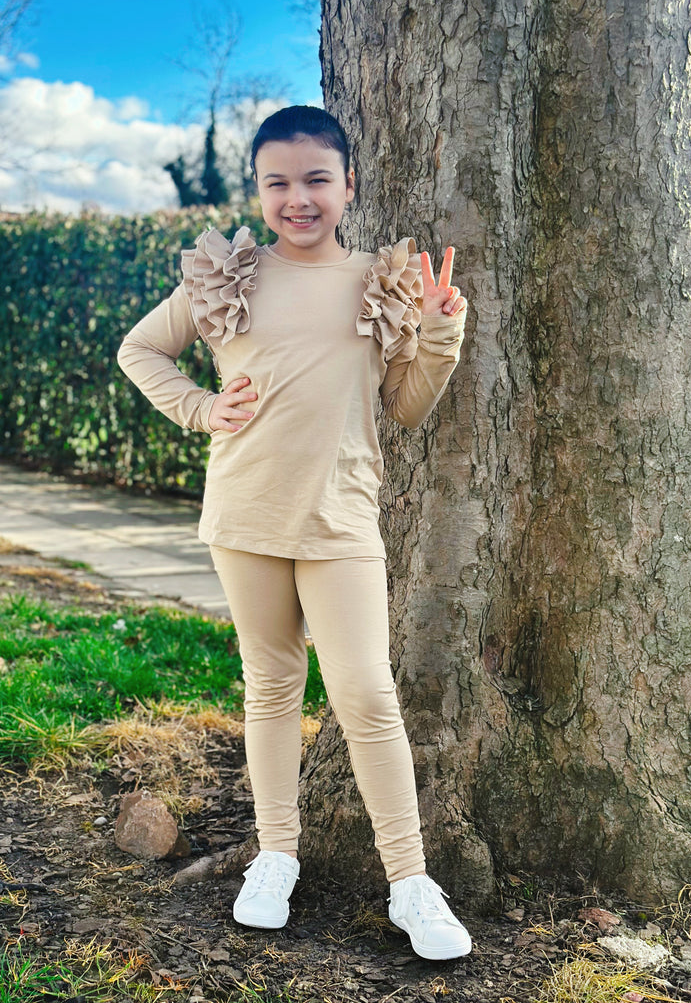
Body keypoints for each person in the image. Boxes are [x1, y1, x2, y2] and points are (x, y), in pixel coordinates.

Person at [117, 105, 471, 961]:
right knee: (271, 685)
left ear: (348, 183)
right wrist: (201, 407)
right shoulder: (228, 278)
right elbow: (140, 350)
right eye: (277, 182)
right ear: (259, 190)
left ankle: (410, 882)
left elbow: (406, 407)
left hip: (340, 517)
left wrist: (439, 329)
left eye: (316, 179)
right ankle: (275, 856)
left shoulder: (381, 282)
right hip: (245, 515)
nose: (297, 198)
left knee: (366, 695)